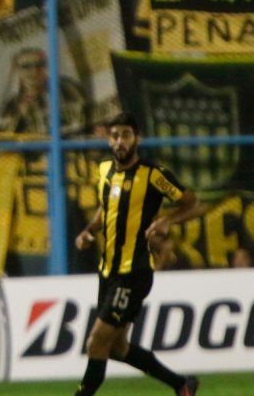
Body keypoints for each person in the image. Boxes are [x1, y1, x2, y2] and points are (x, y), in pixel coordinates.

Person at [73, 112, 200, 396]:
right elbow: (105, 208)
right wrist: (89, 231)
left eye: (126, 135)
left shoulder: (153, 174)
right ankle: (182, 385)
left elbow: (192, 203)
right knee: (117, 347)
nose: (120, 141)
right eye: (115, 135)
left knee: (96, 343)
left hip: (134, 271)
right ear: (109, 139)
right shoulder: (104, 169)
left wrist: (169, 220)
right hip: (107, 271)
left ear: (137, 139)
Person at [0, 48, 86, 136]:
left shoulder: (68, 88)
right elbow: (3, 136)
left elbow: (86, 116)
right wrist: (20, 114)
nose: (34, 71)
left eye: (40, 64)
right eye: (26, 66)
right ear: (17, 70)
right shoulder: (12, 104)